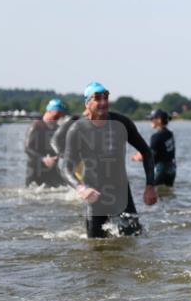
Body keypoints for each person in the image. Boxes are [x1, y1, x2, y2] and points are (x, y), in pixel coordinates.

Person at [60, 82, 158, 238]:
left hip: (121, 193)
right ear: (87, 103)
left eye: (106, 98)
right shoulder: (77, 129)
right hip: (94, 194)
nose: (103, 102)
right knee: (95, 246)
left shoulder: (122, 123)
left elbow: (147, 152)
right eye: (97, 98)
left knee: (132, 243)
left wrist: (150, 185)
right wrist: (81, 189)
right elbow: (66, 167)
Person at [24, 98, 68, 187]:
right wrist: (43, 159)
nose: (59, 117)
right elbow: (27, 148)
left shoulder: (58, 129)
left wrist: (58, 157)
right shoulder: (36, 126)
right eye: (57, 114)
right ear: (49, 111)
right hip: (35, 170)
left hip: (52, 171)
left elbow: (63, 150)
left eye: (61, 114)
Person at [132, 109, 176, 186]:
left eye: (152, 119)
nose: (150, 121)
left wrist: (138, 157)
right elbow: (160, 150)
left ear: (159, 120)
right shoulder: (169, 134)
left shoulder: (156, 136)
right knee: (167, 193)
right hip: (172, 169)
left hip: (160, 169)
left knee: (153, 193)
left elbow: (150, 155)